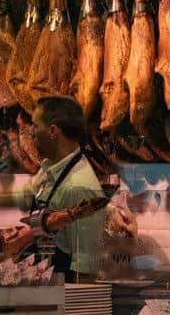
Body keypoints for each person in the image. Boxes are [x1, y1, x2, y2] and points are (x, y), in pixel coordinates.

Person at [12, 95, 105, 283]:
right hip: (42, 293)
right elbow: (22, 200)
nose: (31, 132)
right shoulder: (50, 169)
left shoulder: (79, 186)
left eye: (36, 126)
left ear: (53, 131)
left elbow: (85, 270)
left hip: (63, 301)